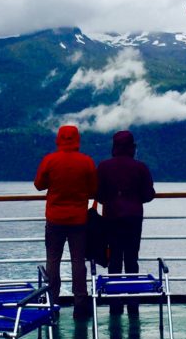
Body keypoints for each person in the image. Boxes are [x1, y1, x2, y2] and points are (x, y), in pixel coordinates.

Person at [34, 125, 97, 320]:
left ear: (59, 139)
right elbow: (94, 190)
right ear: (77, 139)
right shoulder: (86, 162)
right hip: (79, 220)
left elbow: (39, 185)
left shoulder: (50, 160)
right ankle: (80, 304)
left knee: (53, 261)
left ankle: (53, 302)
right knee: (78, 261)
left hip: (55, 219)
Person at [96, 130, 155, 316]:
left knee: (114, 260)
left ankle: (115, 304)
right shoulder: (140, 167)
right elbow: (148, 194)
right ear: (132, 148)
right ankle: (133, 302)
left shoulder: (104, 167)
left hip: (111, 217)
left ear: (114, 147)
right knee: (131, 260)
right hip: (133, 218)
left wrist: (112, 199)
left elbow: (97, 193)